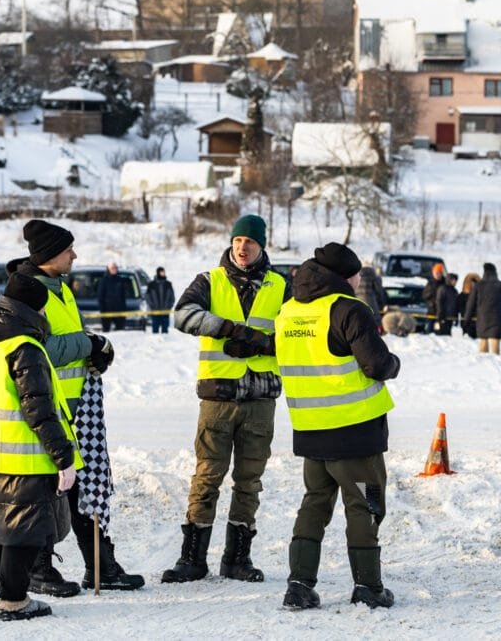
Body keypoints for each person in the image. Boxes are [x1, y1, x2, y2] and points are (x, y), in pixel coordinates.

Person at [9, 220, 143, 597]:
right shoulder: (29, 293)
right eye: (69, 250)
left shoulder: (61, 289)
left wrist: (97, 353)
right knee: (46, 490)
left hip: (76, 408)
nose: (75, 255)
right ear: (51, 255)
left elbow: (73, 339)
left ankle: (100, 566)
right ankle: (38, 568)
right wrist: (88, 345)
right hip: (44, 408)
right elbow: (37, 349)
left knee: (83, 486)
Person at [275, 243, 400, 610]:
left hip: (311, 429)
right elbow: (376, 364)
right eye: (357, 274)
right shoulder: (348, 309)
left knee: (314, 503)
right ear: (347, 276)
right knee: (366, 504)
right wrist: (394, 362)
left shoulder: (289, 311)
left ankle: (299, 585)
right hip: (355, 431)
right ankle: (368, 586)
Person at [0, 272, 83, 622]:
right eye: (43, 308)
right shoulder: (24, 348)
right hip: (24, 459)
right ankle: (13, 600)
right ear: (33, 309)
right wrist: (64, 457)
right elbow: (39, 410)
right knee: (26, 531)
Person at [163, 214, 285, 584]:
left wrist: (264, 343)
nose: (242, 247)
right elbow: (183, 316)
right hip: (219, 396)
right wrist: (229, 329)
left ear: (262, 245)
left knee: (250, 481)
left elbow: (297, 334)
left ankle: (237, 559)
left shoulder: (282, 285)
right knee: (207, 475)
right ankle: (192, 559)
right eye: (237, 241)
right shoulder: (210, 280)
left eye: (250, 241)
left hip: (261, 397)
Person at [463, 263, 501, 355]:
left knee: (483, 343)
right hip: (496, 319)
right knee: (495, 346)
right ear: (495, 272)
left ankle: (483, 363)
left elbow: (471, 304)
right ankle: (496, 362)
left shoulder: (478, 286)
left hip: (482, 319)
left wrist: (466, 319)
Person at [97, 262, 128, 332]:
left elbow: (123, 296)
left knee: (120, 332)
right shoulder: (104, 281)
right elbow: (100, 296)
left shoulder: (120, 280)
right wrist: (102, 310)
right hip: (107, 311)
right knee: (106, 332)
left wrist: (124, 309)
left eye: (115, 268)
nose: (114, 269)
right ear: (108, 269)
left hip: (119, 311)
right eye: (112, 268)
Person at [146, 266, 175, 334]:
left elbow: (172, 297)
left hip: (165, 312)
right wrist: (152, 306)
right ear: (158, 273)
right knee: (155, 332)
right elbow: (147, 297)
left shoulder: (168, 284)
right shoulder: (151, 284)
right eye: (162, 272)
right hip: (155, 311)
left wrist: (169, 306)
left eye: (164, 272)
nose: (163, 273)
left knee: (165, 332)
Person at [421, 263, 446, 334]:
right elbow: (424, 295)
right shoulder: (430, 283)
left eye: (438, 273)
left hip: (442, 313)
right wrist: (430, 302)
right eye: (435, 273)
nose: (437, 275)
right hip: (431, 312)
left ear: (441, 273)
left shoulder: (444, 283)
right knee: (429, 331)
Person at [458, 273, 480, 339]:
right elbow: (460, 307)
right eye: (471, 283)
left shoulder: (480, 296)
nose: (473, 285)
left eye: (475, 283)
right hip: (466, 322)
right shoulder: (462, 295)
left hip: (478, 322)